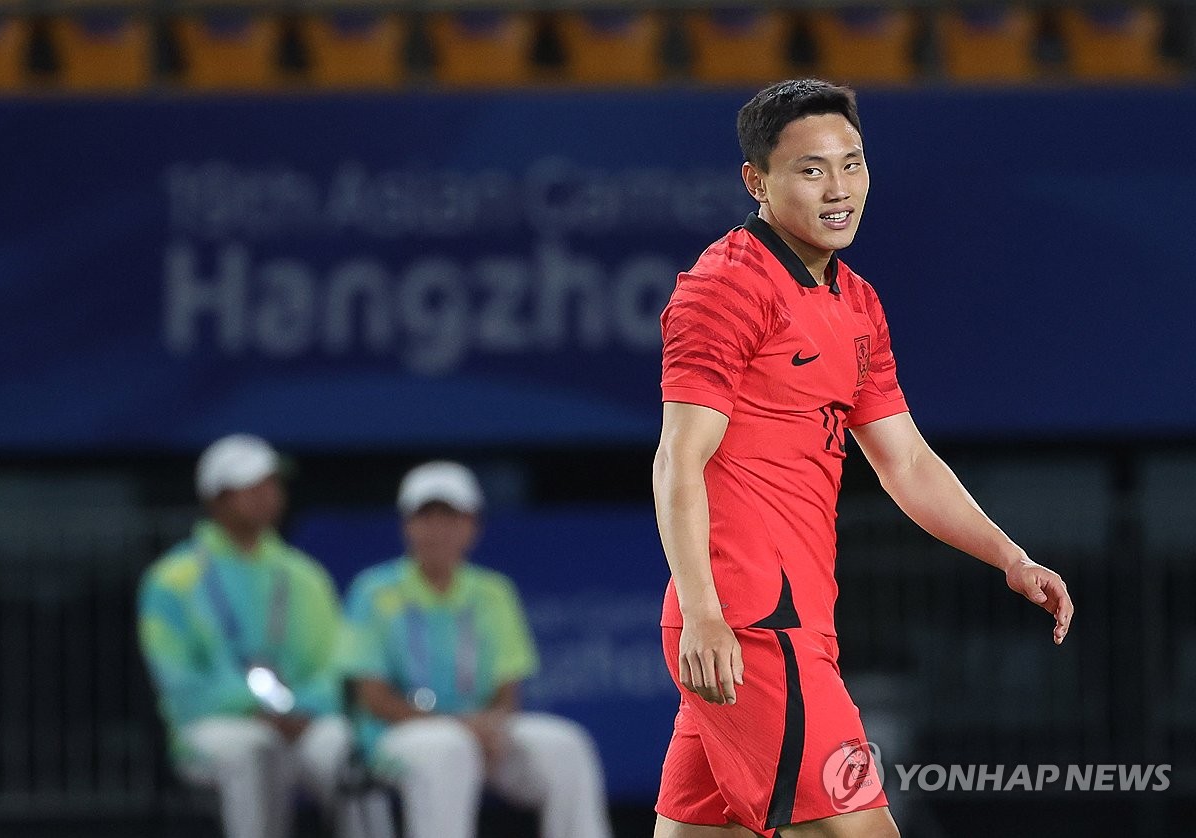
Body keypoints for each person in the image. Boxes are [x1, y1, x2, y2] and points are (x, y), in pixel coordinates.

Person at [652, 79, 1076, 838]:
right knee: (865, 829)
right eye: (812, 170)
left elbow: (905, 463)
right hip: (750, 622)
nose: (839, 189)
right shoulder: (725, 288)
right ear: (757, 180)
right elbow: (677, 461)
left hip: (793, 617)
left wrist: (1009, 557)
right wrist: (706, 616)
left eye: (853, 164)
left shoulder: (858, 303)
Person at [340, 460, 613, 838]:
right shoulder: (373, 590)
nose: (437, 530)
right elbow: (372, 697)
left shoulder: (493, 592)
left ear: (472, 527)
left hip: (479, 732)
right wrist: (457, 726)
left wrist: (491, 725)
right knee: (446, 749)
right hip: (397, 736)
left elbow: (507, 691)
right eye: (425, 517)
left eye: (450, 518)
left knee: (566, 746)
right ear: (407, 526)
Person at [138, 433, 389, 838]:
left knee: (347, 748)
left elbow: (334, 667)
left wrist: (299, 709)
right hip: (208, 729)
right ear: (215, 499)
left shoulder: (304, 576)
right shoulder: (170, 581)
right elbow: (180, 685)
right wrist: (254, 709)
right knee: (252, 750)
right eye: (251, 487)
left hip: (301, 720)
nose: (267, 495)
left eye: (272, 484)